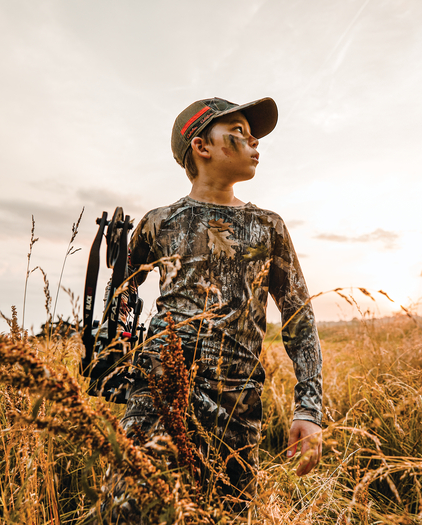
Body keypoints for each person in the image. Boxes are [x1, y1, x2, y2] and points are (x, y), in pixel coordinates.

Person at [121, 97, 323, 509]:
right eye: (240, 133)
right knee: (129, 507)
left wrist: (308, 409)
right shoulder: (157, 223)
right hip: (157, 390)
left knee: (223, 514)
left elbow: (299, 318)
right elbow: (122, 295)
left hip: (236, 403)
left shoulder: (268, 226)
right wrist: (123, 351)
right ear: (201, 147)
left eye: (254, 136)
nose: (255, 143)